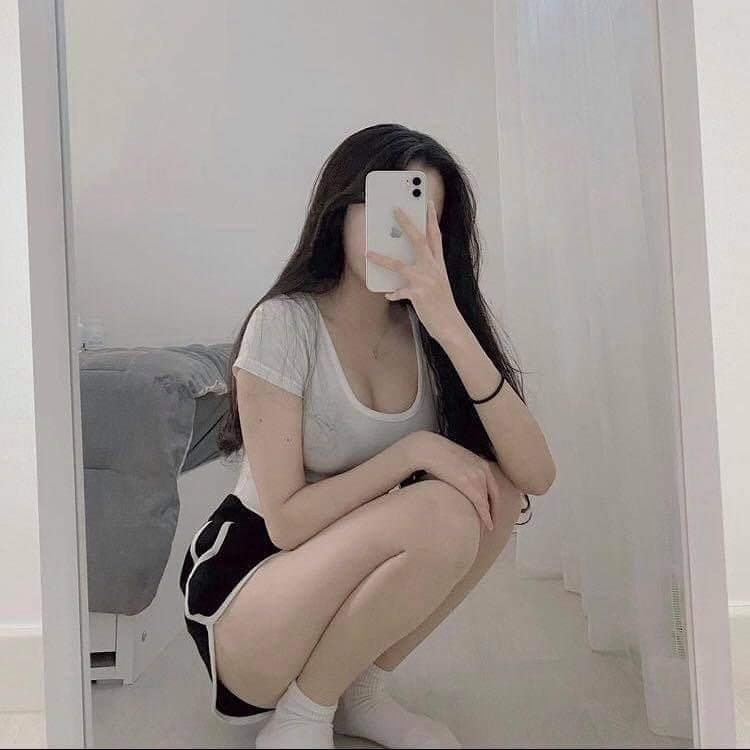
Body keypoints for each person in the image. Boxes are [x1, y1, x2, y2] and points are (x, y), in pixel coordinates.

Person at [179, 123, 556, 749]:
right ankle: (302, 715)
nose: (407, 232)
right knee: (441, 508)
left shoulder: (428, 332)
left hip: (339, 578)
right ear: (341, 212)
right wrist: (415, 450)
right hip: (248, 592)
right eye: (391, 210)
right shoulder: (285, 323)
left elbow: (535, 476)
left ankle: (352, 695)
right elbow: (287, 524)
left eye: (427, 218)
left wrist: (449, 322)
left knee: (496, 490)